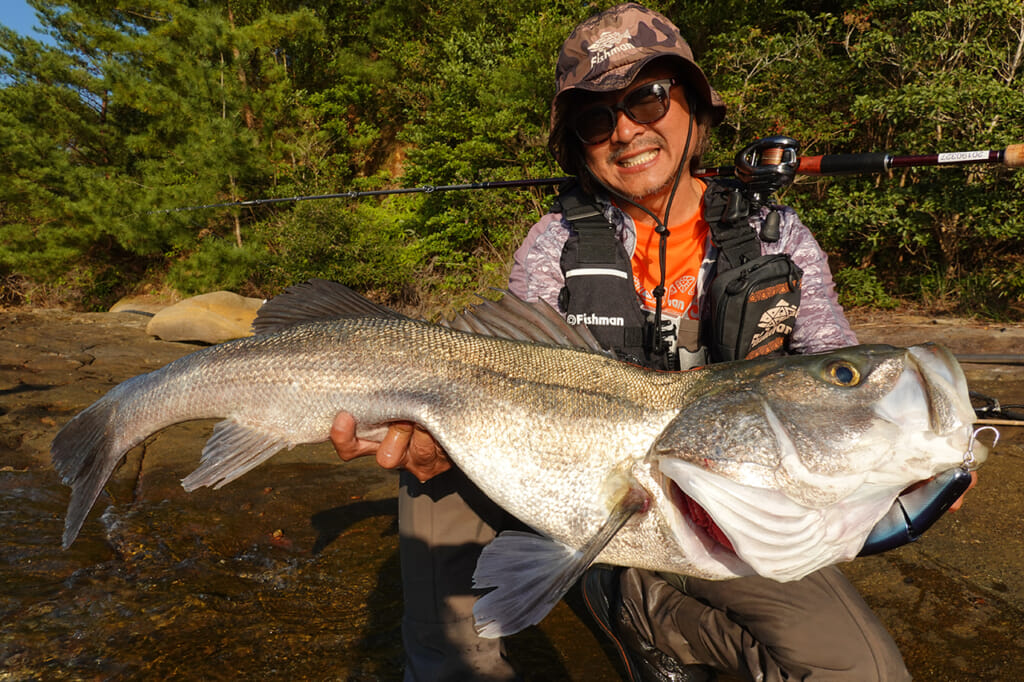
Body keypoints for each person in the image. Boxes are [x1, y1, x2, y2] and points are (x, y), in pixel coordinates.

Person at [330, 4, 973, 680]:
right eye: (595, 118)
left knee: (862, 670)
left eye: (646, 98)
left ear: (695, 108)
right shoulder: (557, 243)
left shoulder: (776, 236)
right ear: (577, 144)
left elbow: (828, 369)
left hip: (725, 499)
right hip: (563, 472)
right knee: (434, 491)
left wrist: (902, 451)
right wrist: (433, 441)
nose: (625, 130)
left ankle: (639, 607)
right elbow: (498, 362)